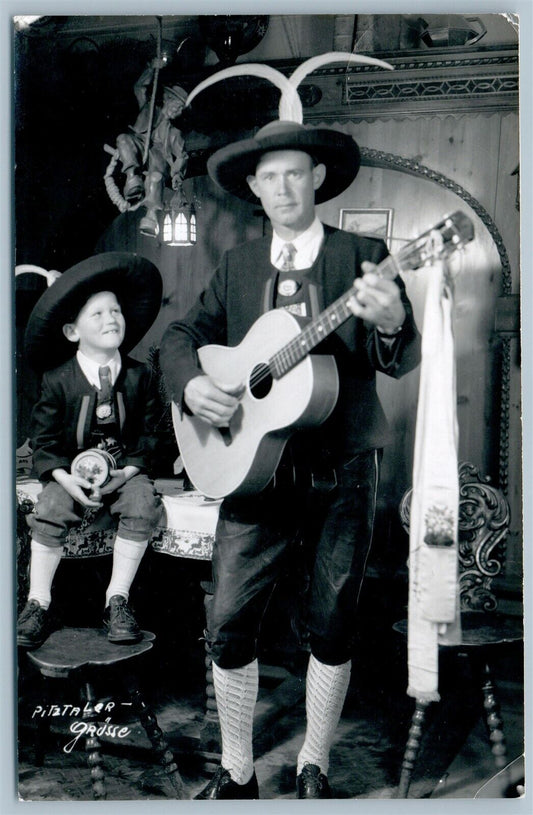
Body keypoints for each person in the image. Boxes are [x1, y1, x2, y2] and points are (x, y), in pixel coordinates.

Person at [159, 120, 422, 799]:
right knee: (227, 624)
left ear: (317, 179)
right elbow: (182, 336)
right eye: (269, 176)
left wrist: (391, 321)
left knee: (332, 622)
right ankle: (237, 770)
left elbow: (395, 357)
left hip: (343, 470)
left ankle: (313, 762)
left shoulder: (363, 255)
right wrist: (191, 383)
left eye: (295, 173)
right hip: (254, 471)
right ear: (254, 186)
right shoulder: (238, 264)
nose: (282, 188)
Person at [17, 253, 164, 650]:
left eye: (115, 310)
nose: (110, 319)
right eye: (97, 314)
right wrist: (65, 479)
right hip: (69, 475)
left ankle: (117, 600)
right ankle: (37, 603)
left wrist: (127, 473)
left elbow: (150, 436)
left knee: (143, 502)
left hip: (123, 474)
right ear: (71, 331)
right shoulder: (57, 380)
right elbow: (45, 442)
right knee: (50, 505)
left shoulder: (140, 376)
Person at [116, 58, 188, 237]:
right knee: (123, 139)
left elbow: (182, 155)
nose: (178, 111)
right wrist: (151, 68)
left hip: (158, 157)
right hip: (139, 144)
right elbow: (139, 87)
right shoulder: (148, 108)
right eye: (177, 106)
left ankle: (151, 215)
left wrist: (177, 173)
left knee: (156, 178)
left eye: (181, 109)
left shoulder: (175, 133)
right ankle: (132, 179)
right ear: (168, 99)